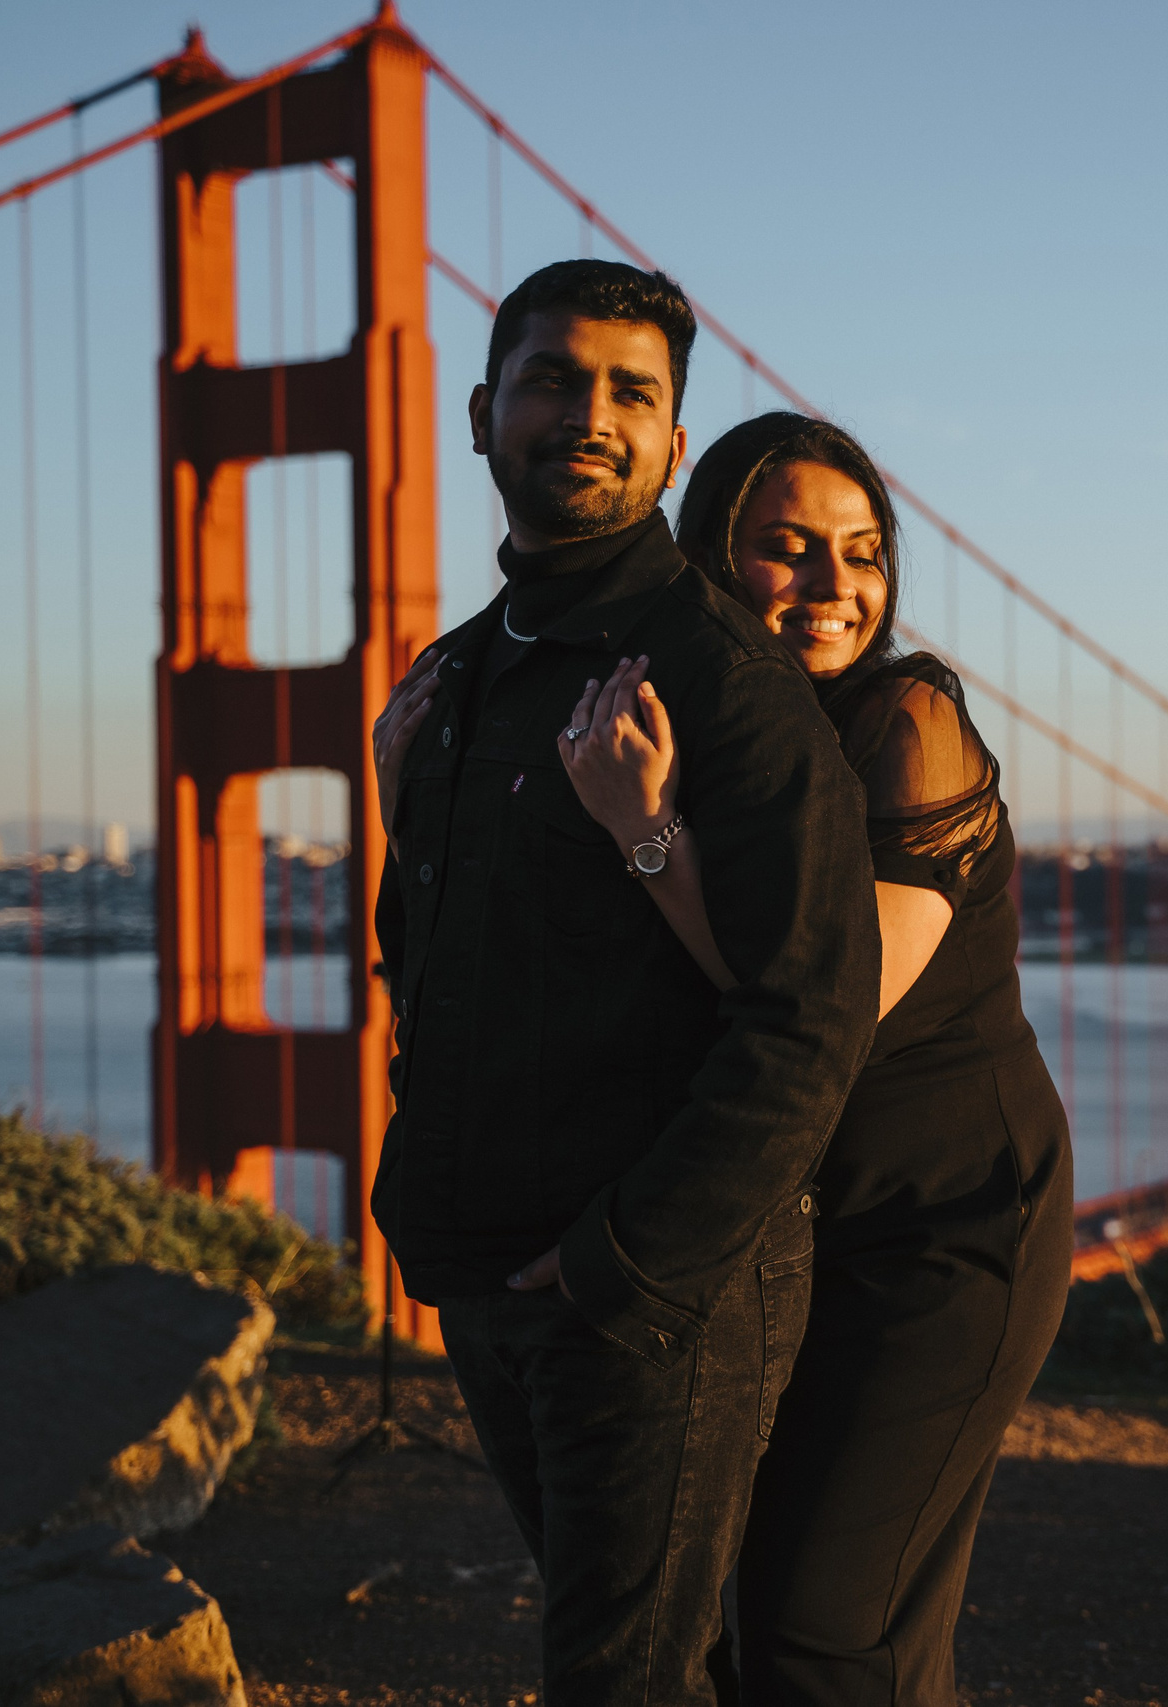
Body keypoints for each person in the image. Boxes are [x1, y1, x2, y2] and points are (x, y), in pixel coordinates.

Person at [367, 269, 880, 1707]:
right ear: (483, 417)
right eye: (551, 381)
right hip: (497, 1273)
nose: (587, 418)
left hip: (657, 1288)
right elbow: (438, 971)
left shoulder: (723, 685)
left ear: (668, 444)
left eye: (631, 394)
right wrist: (405, 821)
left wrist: (625, 1263)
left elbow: (809, 1021)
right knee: (658, 1666)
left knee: (616, 1680)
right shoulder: (456, 680)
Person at [554, 412, 1074, 1706]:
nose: (838, 585)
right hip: (790, 1230)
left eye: (862, 551)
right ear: (710, 563)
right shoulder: (702, 736)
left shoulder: (908, 721)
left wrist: (645, 837)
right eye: (788, 549)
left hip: (946, 1227)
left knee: (829, 1636)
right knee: (763, 1625)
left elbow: (823, 1011)